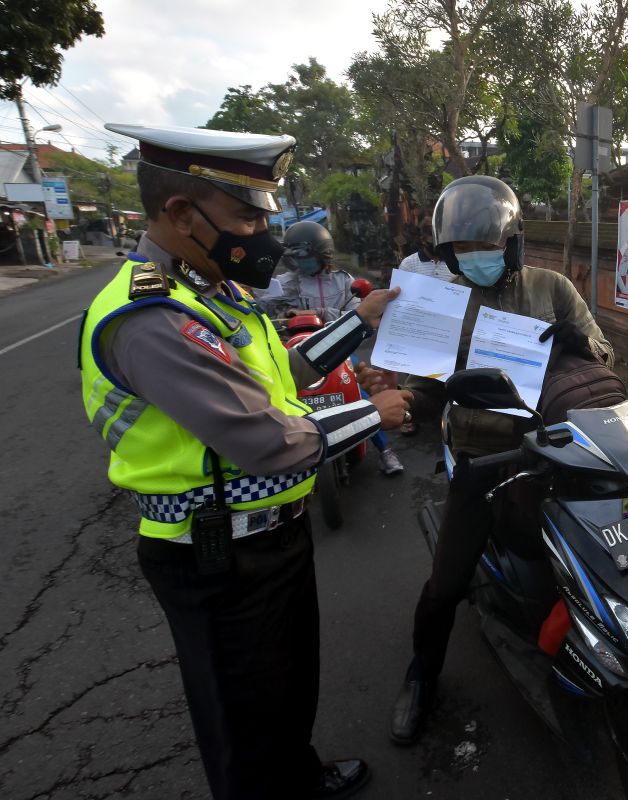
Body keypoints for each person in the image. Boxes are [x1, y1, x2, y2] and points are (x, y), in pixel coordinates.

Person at [81, 123, 412, 800]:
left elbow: (279, 376)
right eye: (246, 216)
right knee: (242, 724)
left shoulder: (213, 289)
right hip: (214, 556)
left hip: (272, 537)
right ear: (181, 213)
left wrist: (360, 321)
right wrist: (373, 415)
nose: (264, 234)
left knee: (286, 691)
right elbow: (265, 439)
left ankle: (298, 777)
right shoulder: (151, 318)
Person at [357, 175, 614, 745]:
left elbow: (601, 354)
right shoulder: (443, 304)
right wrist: (406, 404)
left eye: (486, 248)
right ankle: (421, 673)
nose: (475, 260)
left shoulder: (552, 288)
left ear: (513, 242)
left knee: (597, 561)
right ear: (448, 254)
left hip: (555, 449)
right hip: (485, 458)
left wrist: (570, 338)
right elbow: (429, 391)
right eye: (462, 252)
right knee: (445, 585)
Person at [263, 220, 405, 475]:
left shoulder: (343, 282)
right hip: (297, 352)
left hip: (338, 348)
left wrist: (317, 312)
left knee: (359, 391)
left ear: (322, 253)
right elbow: (266, 312)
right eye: (295, 257)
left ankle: (385, 451)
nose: (300, 262)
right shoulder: (284, 283)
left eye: (305, 255)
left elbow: (356, 313)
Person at [392, 218, 454, 435]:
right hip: (417, 325)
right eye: (431, 236)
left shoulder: (455, 264)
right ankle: (409, 414)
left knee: (445, 371)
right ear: (422, 238)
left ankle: (445, 410)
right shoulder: (409, 264)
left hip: (447, 327)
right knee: (412, 371)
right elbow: (401, 298)